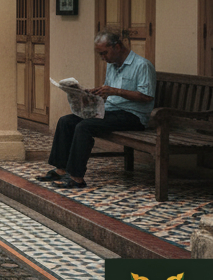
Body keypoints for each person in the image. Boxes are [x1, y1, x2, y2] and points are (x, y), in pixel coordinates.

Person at [38, 29, 155, 189]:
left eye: (104, 53)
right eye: (100, 54)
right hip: (110, 110)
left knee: (84, 126)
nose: (102, 58)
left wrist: (116, 91)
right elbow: (108, 92)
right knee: (66, 121)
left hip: (133, 116)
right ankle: (60, 169)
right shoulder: (112, 65)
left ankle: (76, 177)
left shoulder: (142, 65)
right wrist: (91, 94)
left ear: (117, 47)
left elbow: (146, 96)